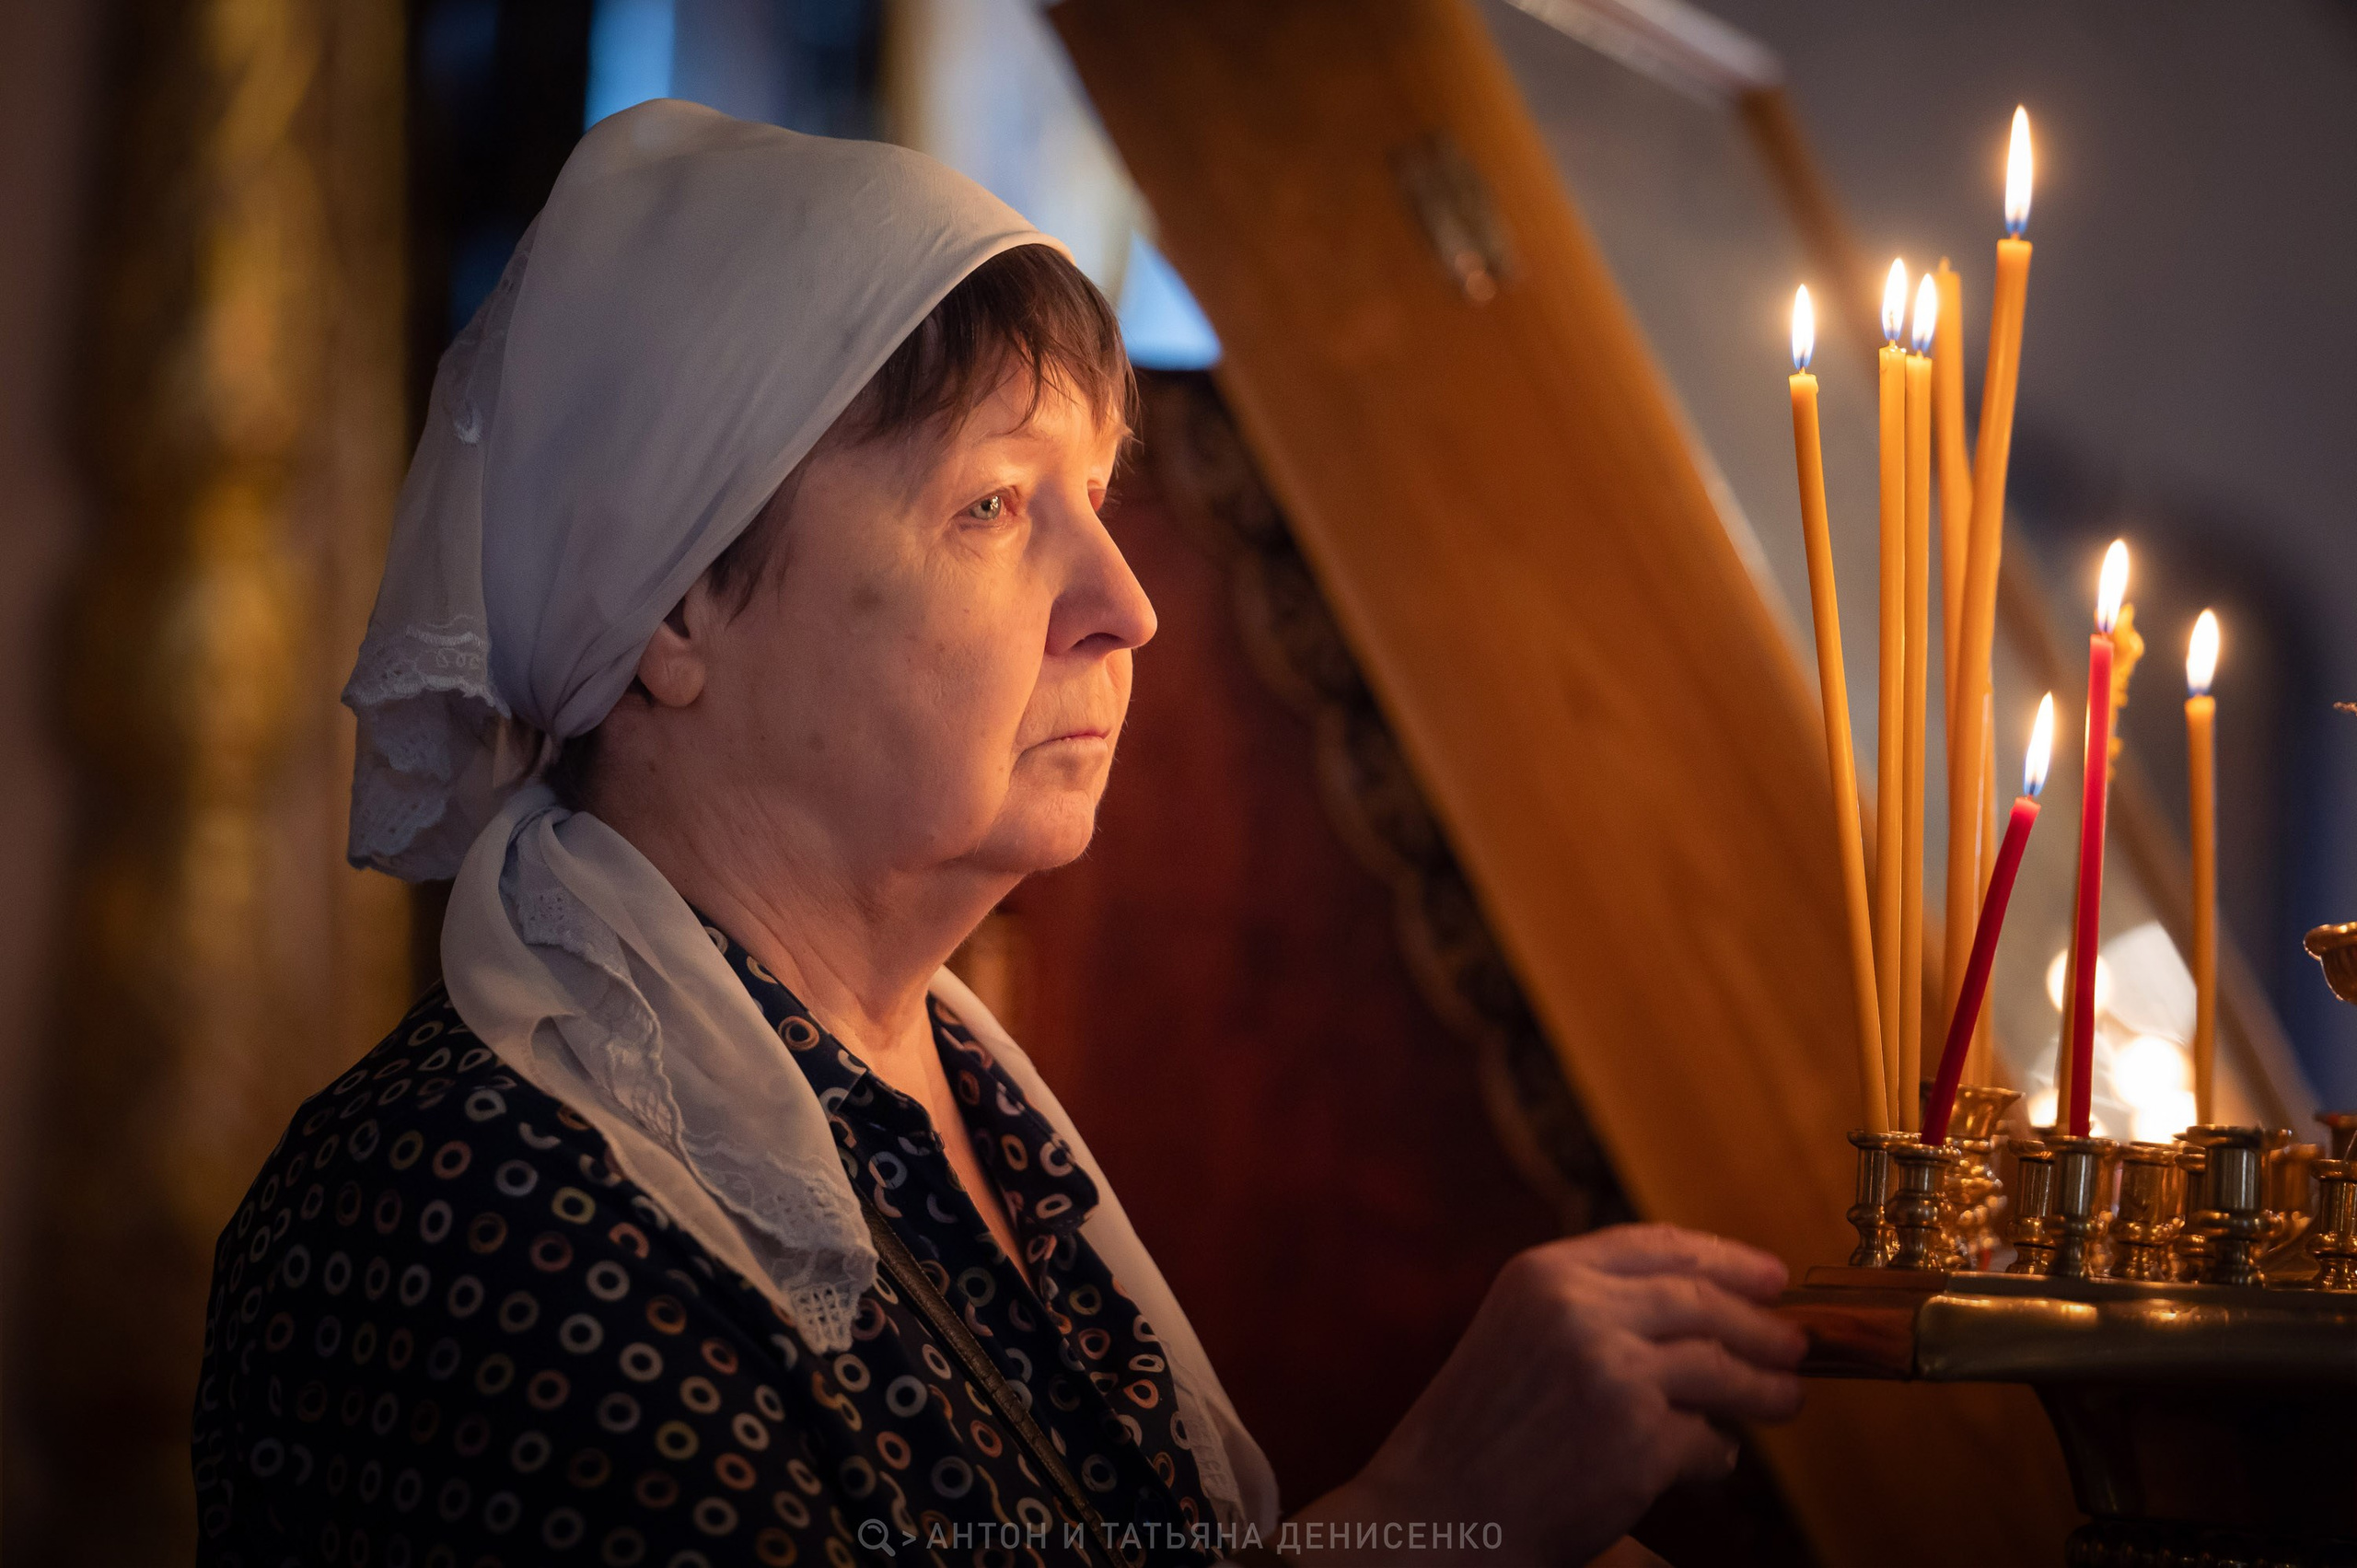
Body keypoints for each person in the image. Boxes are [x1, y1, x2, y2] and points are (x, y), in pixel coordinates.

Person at [192, 101, 1803, 1568]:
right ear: (672, 606)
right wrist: (1426, 1525)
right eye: (991, 506)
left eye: (1097, 495)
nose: (1127, 606)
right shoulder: (457, 1214)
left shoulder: (967, 1100)